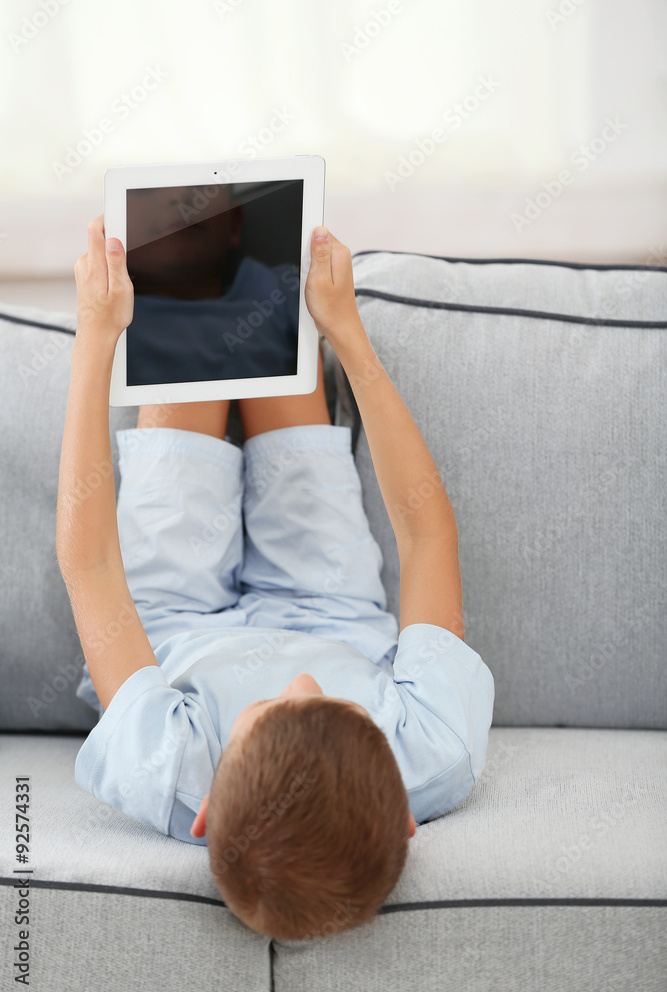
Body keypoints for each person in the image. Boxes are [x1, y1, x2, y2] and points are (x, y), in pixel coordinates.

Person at [56, 216, 495, 942]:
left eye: (266, 709)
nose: (299, 683)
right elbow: (424, 538)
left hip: (173, 623)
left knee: (191, 334)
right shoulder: (435, 752)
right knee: (280, 329)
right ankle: (257, 254)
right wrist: (349, 335)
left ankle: (201, 252)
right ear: (406, 812)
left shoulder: (161, 767)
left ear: (201, 810)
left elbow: (90, 565)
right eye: (337, 708)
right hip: (328, 607)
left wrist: (94, 341)